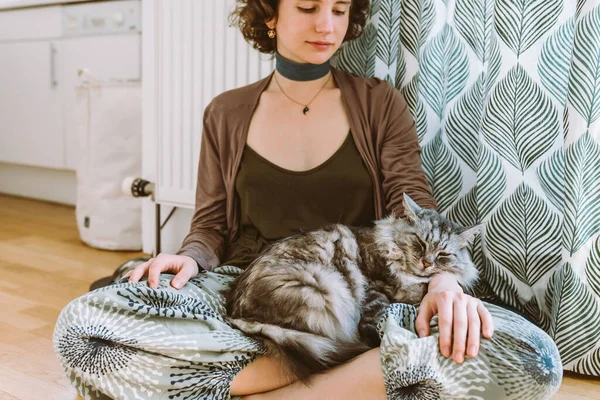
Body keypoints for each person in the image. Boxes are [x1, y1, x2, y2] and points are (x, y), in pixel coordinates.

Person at [53, 0, 563, 399]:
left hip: (366, 294)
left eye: (339, 11)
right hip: (248, 291)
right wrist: (184, 258)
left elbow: (414, 204)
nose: (327, 25)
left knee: (534, 359)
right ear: (270, 17)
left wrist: (446, 280)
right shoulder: (226, 113)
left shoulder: (377, 102)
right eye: (307, 8)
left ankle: (243, 390)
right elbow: (210, 225)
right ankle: (350, 378)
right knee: (82, 328)